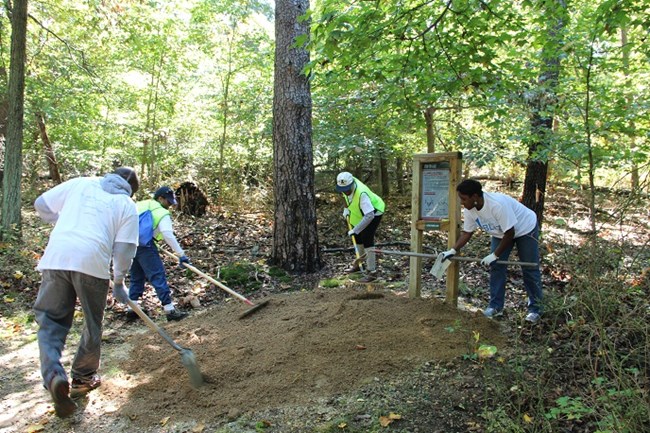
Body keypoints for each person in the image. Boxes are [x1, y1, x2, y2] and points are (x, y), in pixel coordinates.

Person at [33, 167, 140, 418]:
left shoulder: (80, 183)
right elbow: (124, 250)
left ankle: (53, 376)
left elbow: (41, 204)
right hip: (92, 263)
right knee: (92, 322)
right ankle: (82, 378)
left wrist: (62, 220)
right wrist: (119, 282)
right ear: (132, 190)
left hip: (57, 257)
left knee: (50, 322)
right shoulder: (126, 205)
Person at [441, 179, 543, 323]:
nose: (461, 203)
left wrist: (495, 254)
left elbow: (510, 233)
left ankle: (536, 309)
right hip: (500, 233)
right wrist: (452, 250)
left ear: (475, 196)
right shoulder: (470, 209)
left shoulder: (497, 205)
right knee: (496, 267)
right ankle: (495, 307)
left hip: (525, 228)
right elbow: (467, 232)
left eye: (463, 199)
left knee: (529, 267)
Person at [126, 186, 189, 322]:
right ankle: (169, 310)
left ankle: (132, 308)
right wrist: (181, 254)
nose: (170, 205)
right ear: (160, 198)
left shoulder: (141, 204)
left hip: (129, 244)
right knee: (157, 275)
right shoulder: (161, 212)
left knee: (136, 275)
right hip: (146, 246)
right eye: (168, 202)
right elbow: (167, 234)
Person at [336, 171, 385, 283]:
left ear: (352, 184)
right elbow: (346, 198)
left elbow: (369, 215)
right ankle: (359, 264)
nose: (345, 192)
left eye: (347, 189)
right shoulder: (345, 187)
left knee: (367, 239)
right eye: (343, 190)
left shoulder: (361, 194)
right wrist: (346, 209)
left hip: (374, 212)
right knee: (357, 238)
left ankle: (372, 272)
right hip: (359, 213)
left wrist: (355, 229)